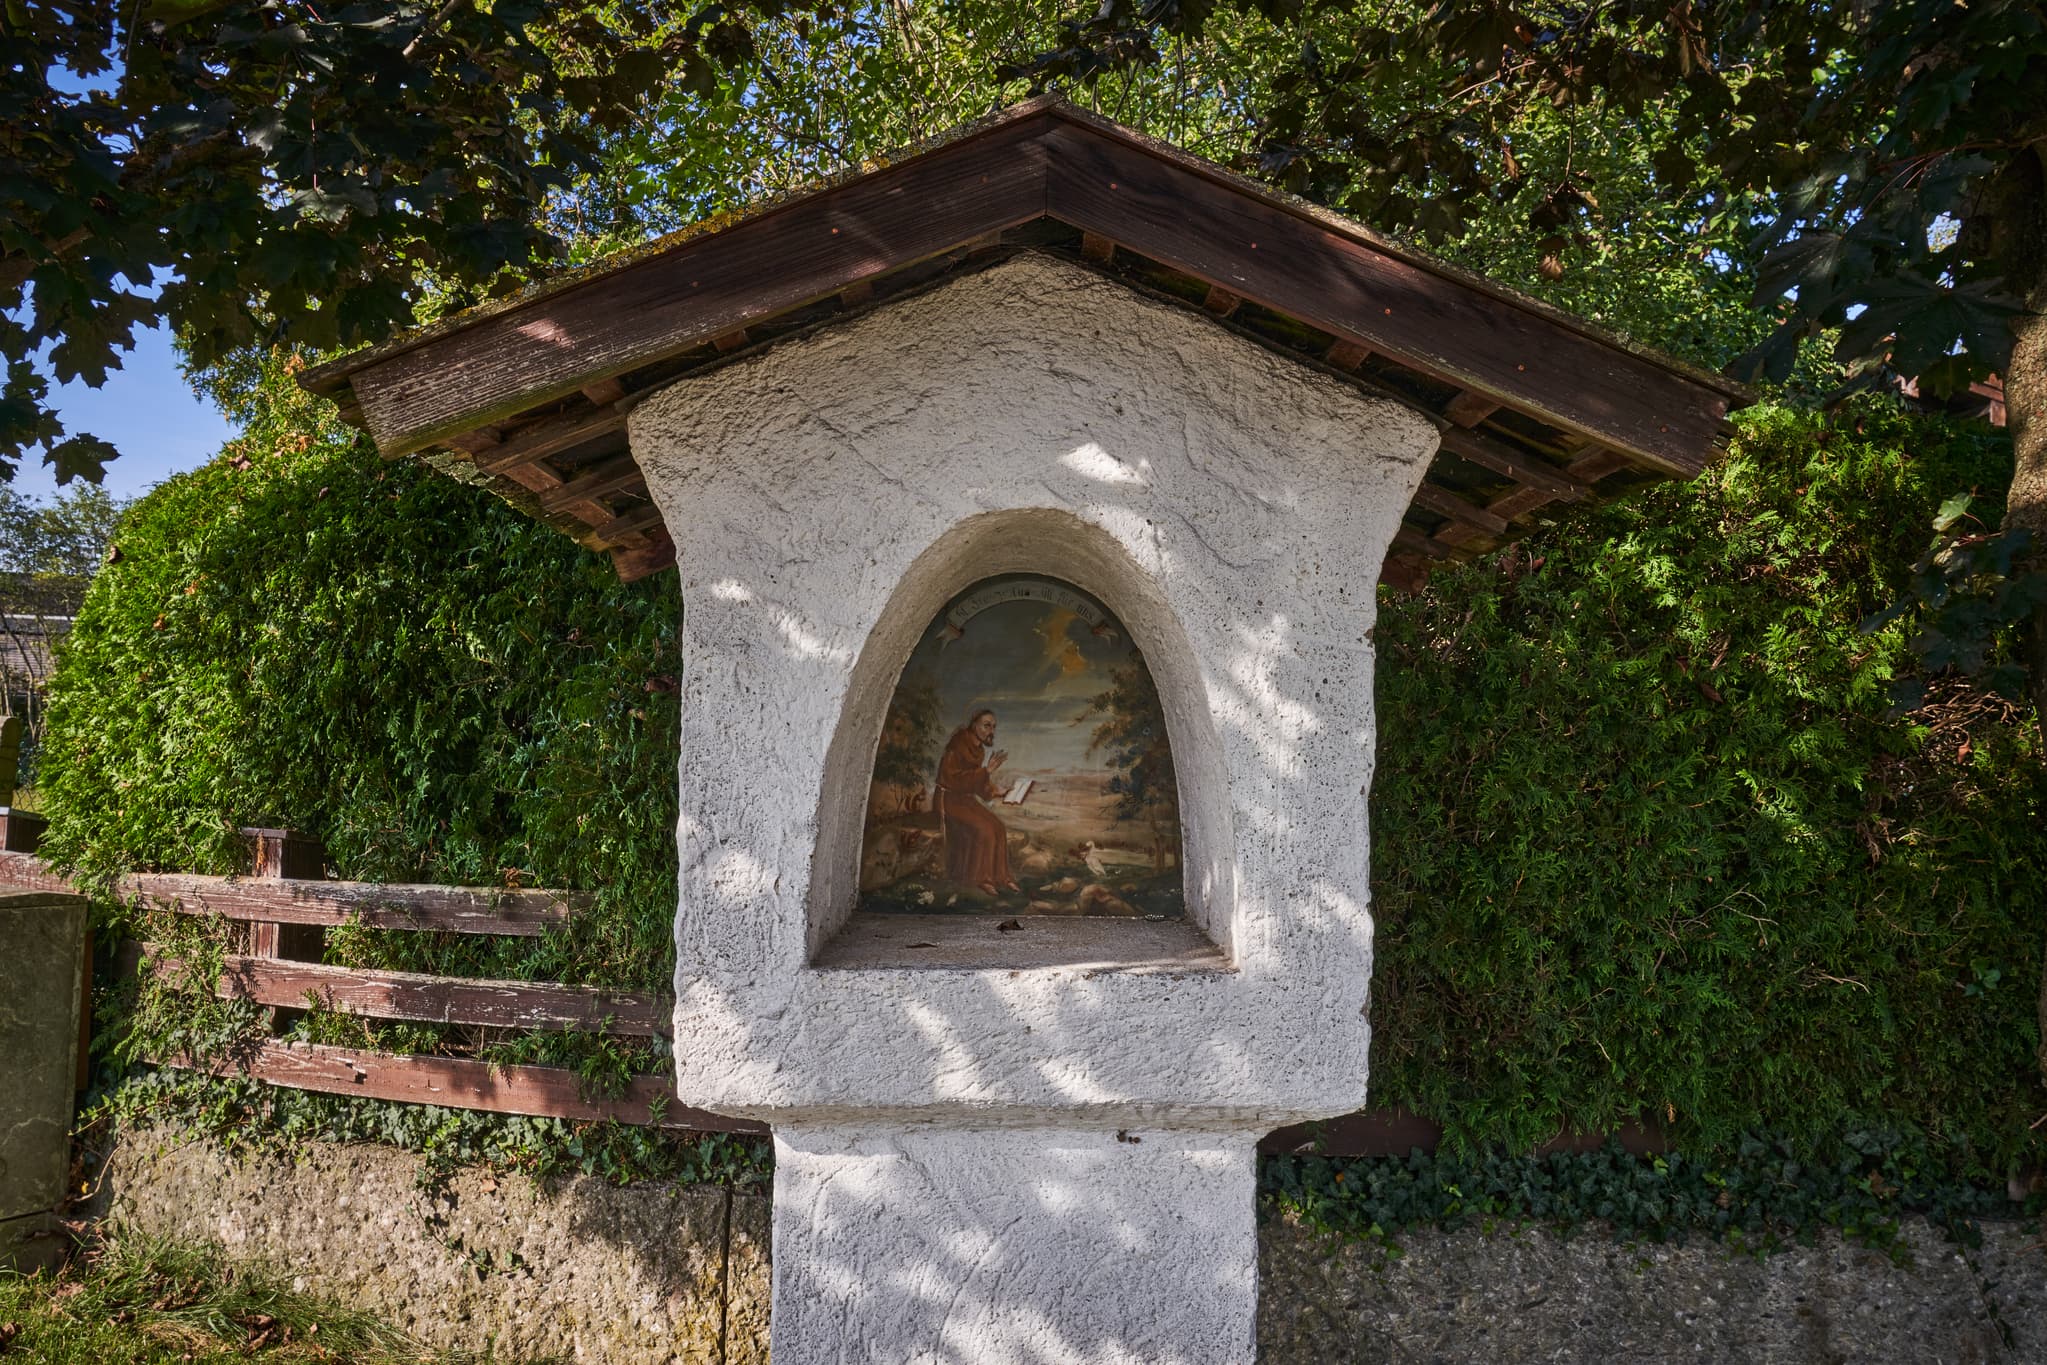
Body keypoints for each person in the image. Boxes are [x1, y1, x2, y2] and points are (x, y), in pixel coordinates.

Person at [934, 708, 1021, 896]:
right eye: (987, 726)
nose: (991, 731)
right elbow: (950, 779)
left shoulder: (978, 749)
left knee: (998, 826)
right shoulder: (957, 744)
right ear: (974, 725)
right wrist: (986, 772)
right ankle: (983, 879)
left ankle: (1002, 877)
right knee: (985, 829)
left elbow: (974, 783)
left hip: (965, 799)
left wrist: (995, 791)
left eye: (994, 727)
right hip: (948, 799)